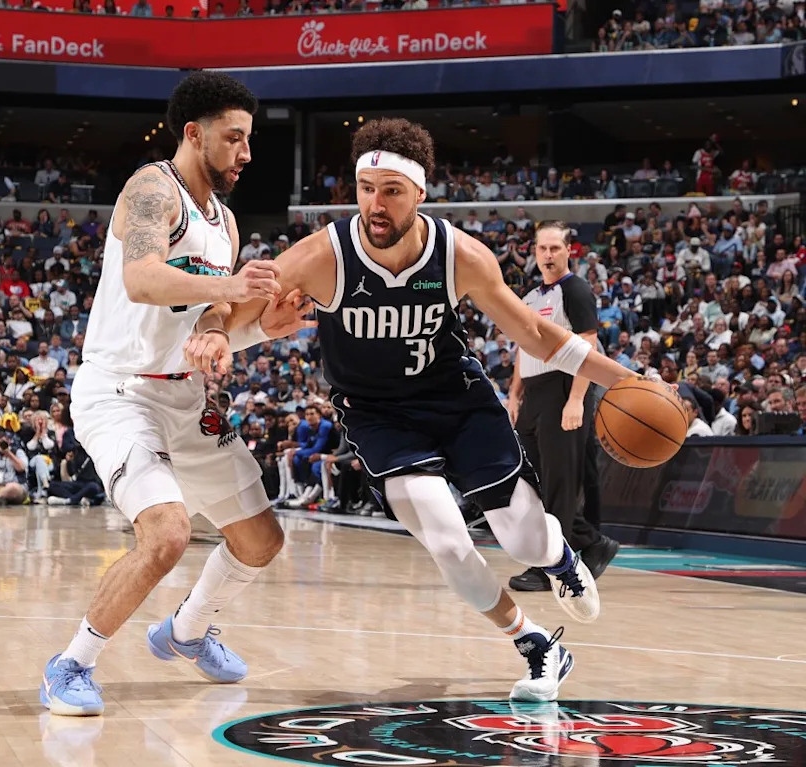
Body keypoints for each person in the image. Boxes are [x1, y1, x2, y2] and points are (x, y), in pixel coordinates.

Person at [220, 118, 638, 701]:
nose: (375, 204)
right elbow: (233, 313)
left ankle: (561, 559)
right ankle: (538, 645)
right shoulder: (323, 255)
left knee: (522, 541)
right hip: (377, 414)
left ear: (420, 193)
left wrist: (628, 382)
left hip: (456, 403)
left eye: (391, 190)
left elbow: (538, 337)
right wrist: (226, 334)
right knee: (445, 540)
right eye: (367, 188)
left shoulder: (460, 255)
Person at [42, 72, 311, 717]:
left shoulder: (226, 223)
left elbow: (210, 320)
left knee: (261, 541)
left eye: (249, 139)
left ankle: (186, 632)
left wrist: (244, 332)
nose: (246, 153)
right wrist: (231, 288)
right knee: (164, 536)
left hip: (186, 396)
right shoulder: (151, 188)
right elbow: (141, 279)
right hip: (120, 391)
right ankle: (71, 663)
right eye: (234, 138)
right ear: (195, 134)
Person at [505, 227, 620, 593]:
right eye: (542, 248)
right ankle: (592, 542)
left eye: (555, 247)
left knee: (559, 483)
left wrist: (576, 399)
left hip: (566, 388)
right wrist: (515, 393)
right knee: (533, 482)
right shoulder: (530, 296)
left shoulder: (576, 290)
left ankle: (550, 565)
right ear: (534, 253)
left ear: (568, 251)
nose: (548, 254)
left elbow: (589, 345)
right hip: (535, 394)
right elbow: (524, 347)